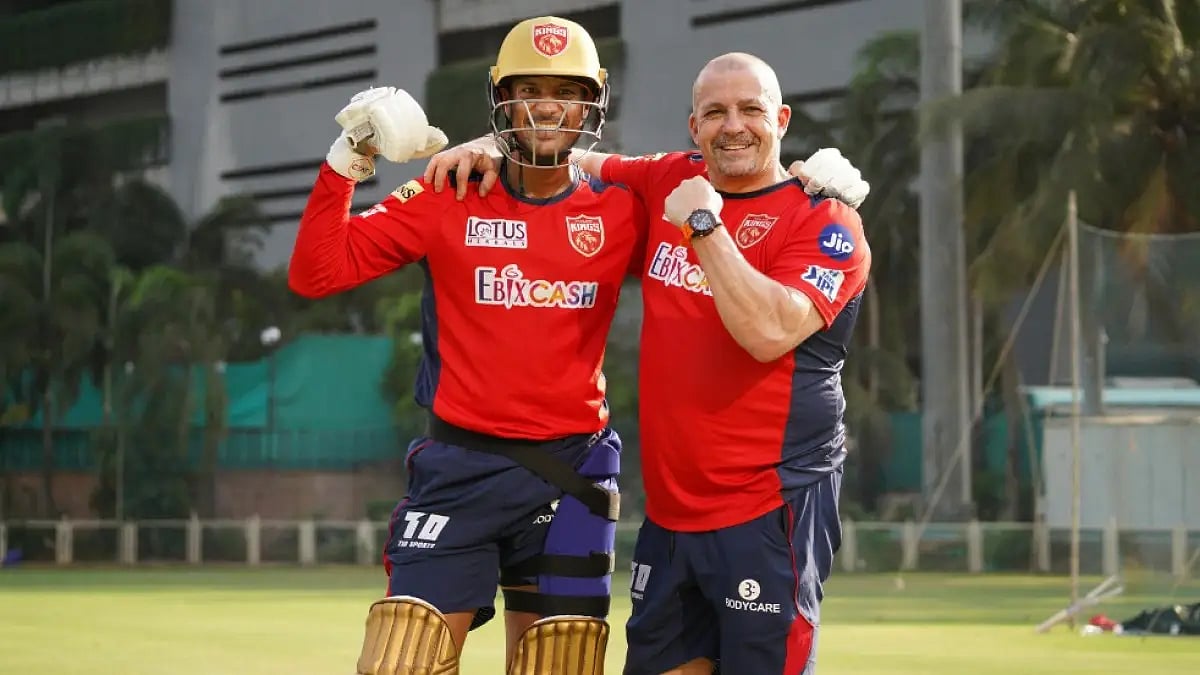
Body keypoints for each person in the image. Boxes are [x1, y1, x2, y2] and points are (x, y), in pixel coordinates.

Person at [425, 51, 871, 674]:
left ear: (782, 119)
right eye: (715, 112)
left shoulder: (825, 221)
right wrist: (493, 143)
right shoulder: (668, 175)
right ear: (694, 127)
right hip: (669, 519)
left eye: (751, 110)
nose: (733, 126)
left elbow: (768, 333)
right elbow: (571, 152)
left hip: (769, 510)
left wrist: (702, 223)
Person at [288, 16, 640, 675]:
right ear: (499, 99)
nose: (544, 104)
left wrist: (811, 197)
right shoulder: (447, 192)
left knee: (559, 663)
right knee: (401, 661)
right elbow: (317, 270)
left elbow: (723, 211)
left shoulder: (624, 207)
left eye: (564, 90)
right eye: (527, 88)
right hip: (460, 469)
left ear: (592, 102)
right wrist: (348, 158)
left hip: (571, 474)